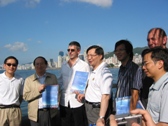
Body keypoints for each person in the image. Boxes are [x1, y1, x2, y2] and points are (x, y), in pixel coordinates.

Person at [77, 45, 113, 125]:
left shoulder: (104, 73)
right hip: (89, 107)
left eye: (92, 55)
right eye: (88, 56)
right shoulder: (93, 71)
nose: (89, 58)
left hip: (97, 110)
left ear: (100, 56)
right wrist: (84, 94)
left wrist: (101, 117)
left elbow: (106, 96)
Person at [58, 41, 90, 126]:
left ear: (78, 51)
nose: (70, 52)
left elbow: (88, 83)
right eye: (68, 50)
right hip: (64, 101)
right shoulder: (63, 65)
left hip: (77, 101)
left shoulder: (84, 65)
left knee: (79, 124)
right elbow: (60, 81)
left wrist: (84, 94)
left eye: (72, 50)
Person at [23, 56, 58, 126]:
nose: (39, 66)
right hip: (35, 114)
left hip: (50, 112)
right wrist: (37, 91)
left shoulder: (52, 77)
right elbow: (25, 96)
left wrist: (57, 101)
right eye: (37, 64)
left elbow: (58, 92)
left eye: (42, 64)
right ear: (34, 66)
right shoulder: (29, 80)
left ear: (46, 65)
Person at [140, 27, 167, 108]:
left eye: (153, 39)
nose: (150, 43)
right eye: (148, 40)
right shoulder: (147, 59)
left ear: (164, 40)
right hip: (146, 107)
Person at [114, 40, 142, 111]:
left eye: (121, 50)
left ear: (128, 51)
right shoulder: (121, 68)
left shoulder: (135, 69)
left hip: (128, 110)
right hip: (119, 108)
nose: (118, 53)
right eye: (116, 50)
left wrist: (131, 115)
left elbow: (135, 94)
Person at [142, 47, 168, 124]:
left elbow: (164, 124)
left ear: (160, 64)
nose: (143, 67)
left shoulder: (166, 88)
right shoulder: (154, 86)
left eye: (146, 64)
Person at [0, 56, 24, 126]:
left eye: (14, 65)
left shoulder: (20, 79)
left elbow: (21, 95)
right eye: (9, 64)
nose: (11, 66)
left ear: (16, 66)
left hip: (15, 110)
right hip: (1, 110)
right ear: (4, 65)